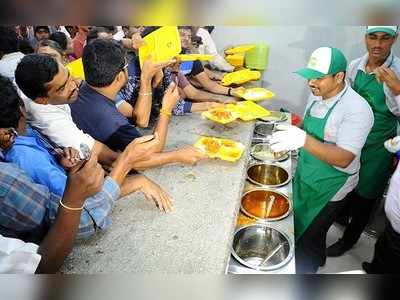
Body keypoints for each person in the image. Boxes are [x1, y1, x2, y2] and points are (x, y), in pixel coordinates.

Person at [0, 75, 174, 240]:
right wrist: (131, 173)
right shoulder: (26, 156)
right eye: (63, 85)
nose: (75, 83)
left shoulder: (27, 133)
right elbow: (81, 210)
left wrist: (60, 159)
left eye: (70, 76)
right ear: (24, 106)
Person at [270, 47, 374, 273]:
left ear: (339, 77)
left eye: (318, 77)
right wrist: (290, 133)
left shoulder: (356, 109)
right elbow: (307, 127)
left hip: (331, 185)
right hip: (308, 172)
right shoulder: (317, 95)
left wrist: (303, 140)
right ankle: (317, 258)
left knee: (309, 235)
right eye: (309, 76)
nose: (311, 83)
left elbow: (344, 158)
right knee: (306, 228)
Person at [70, 39, 205, 169]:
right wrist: (166, 110)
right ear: (120, 77)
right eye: (126, 65)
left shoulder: (83, 89)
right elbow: (150, 150)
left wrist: (147, 78)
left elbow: (141, 120)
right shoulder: (111, 120)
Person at [327, 26, 400, 257]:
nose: (377, 44)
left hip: (379, 145)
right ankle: (341, 217)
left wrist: (397, 89)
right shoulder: (354, 66)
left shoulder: (397, 72)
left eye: (385, 38)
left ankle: (349, 239)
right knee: (346, 181)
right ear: (365, 38)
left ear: (394, 39)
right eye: (372, 37)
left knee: (366, 195)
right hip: (352, 138)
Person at [0, 153, 104, 274]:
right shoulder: (16, 163)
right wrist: (122, 165)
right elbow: (36, 266)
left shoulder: (28, 140)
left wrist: (58, 155)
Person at [15, 54, 117, 165]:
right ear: (41, 100)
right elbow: (95, 151)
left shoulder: (32, 78)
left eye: (69, 76)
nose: (74, 85)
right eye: (62, 88)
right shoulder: (45, 117)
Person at [362, 135, 400, 274]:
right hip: (392, 223)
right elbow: (389, 146)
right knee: (382, 247)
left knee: (391, 263)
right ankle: (374, 269)